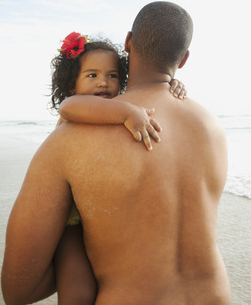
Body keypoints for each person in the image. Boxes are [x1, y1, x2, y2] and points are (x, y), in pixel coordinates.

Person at [1, 1, 232, 304]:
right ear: (184, 59)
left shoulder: (71, 137)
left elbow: (19, 289)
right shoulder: (212, 127)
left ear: (127, 43)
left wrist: (77, 243)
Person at [49, 32, 187, 303]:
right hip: (71, 217)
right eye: (92, 76)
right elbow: (68, 107)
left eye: (112, 75)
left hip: (102, 212)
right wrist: (128, 112)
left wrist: (173, 83)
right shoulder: (77, 106)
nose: (103, 82)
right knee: (77, 290)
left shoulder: (114, 103)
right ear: (71, 83)